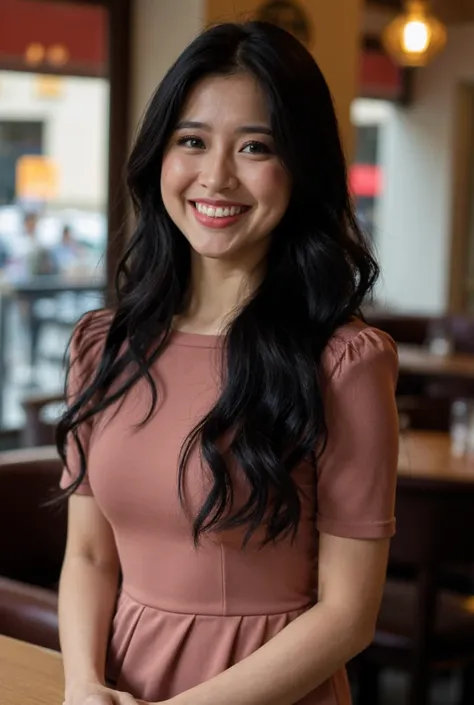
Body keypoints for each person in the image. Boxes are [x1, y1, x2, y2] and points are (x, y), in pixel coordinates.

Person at [56, 21, 399, 705]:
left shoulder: (343, 361)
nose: (216, 176)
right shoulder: (102, 346)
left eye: (255, 147)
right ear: (160, 154)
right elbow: (91, 555)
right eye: (192, 141)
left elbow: (348, 614)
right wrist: (83, 683)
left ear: (300, 169)